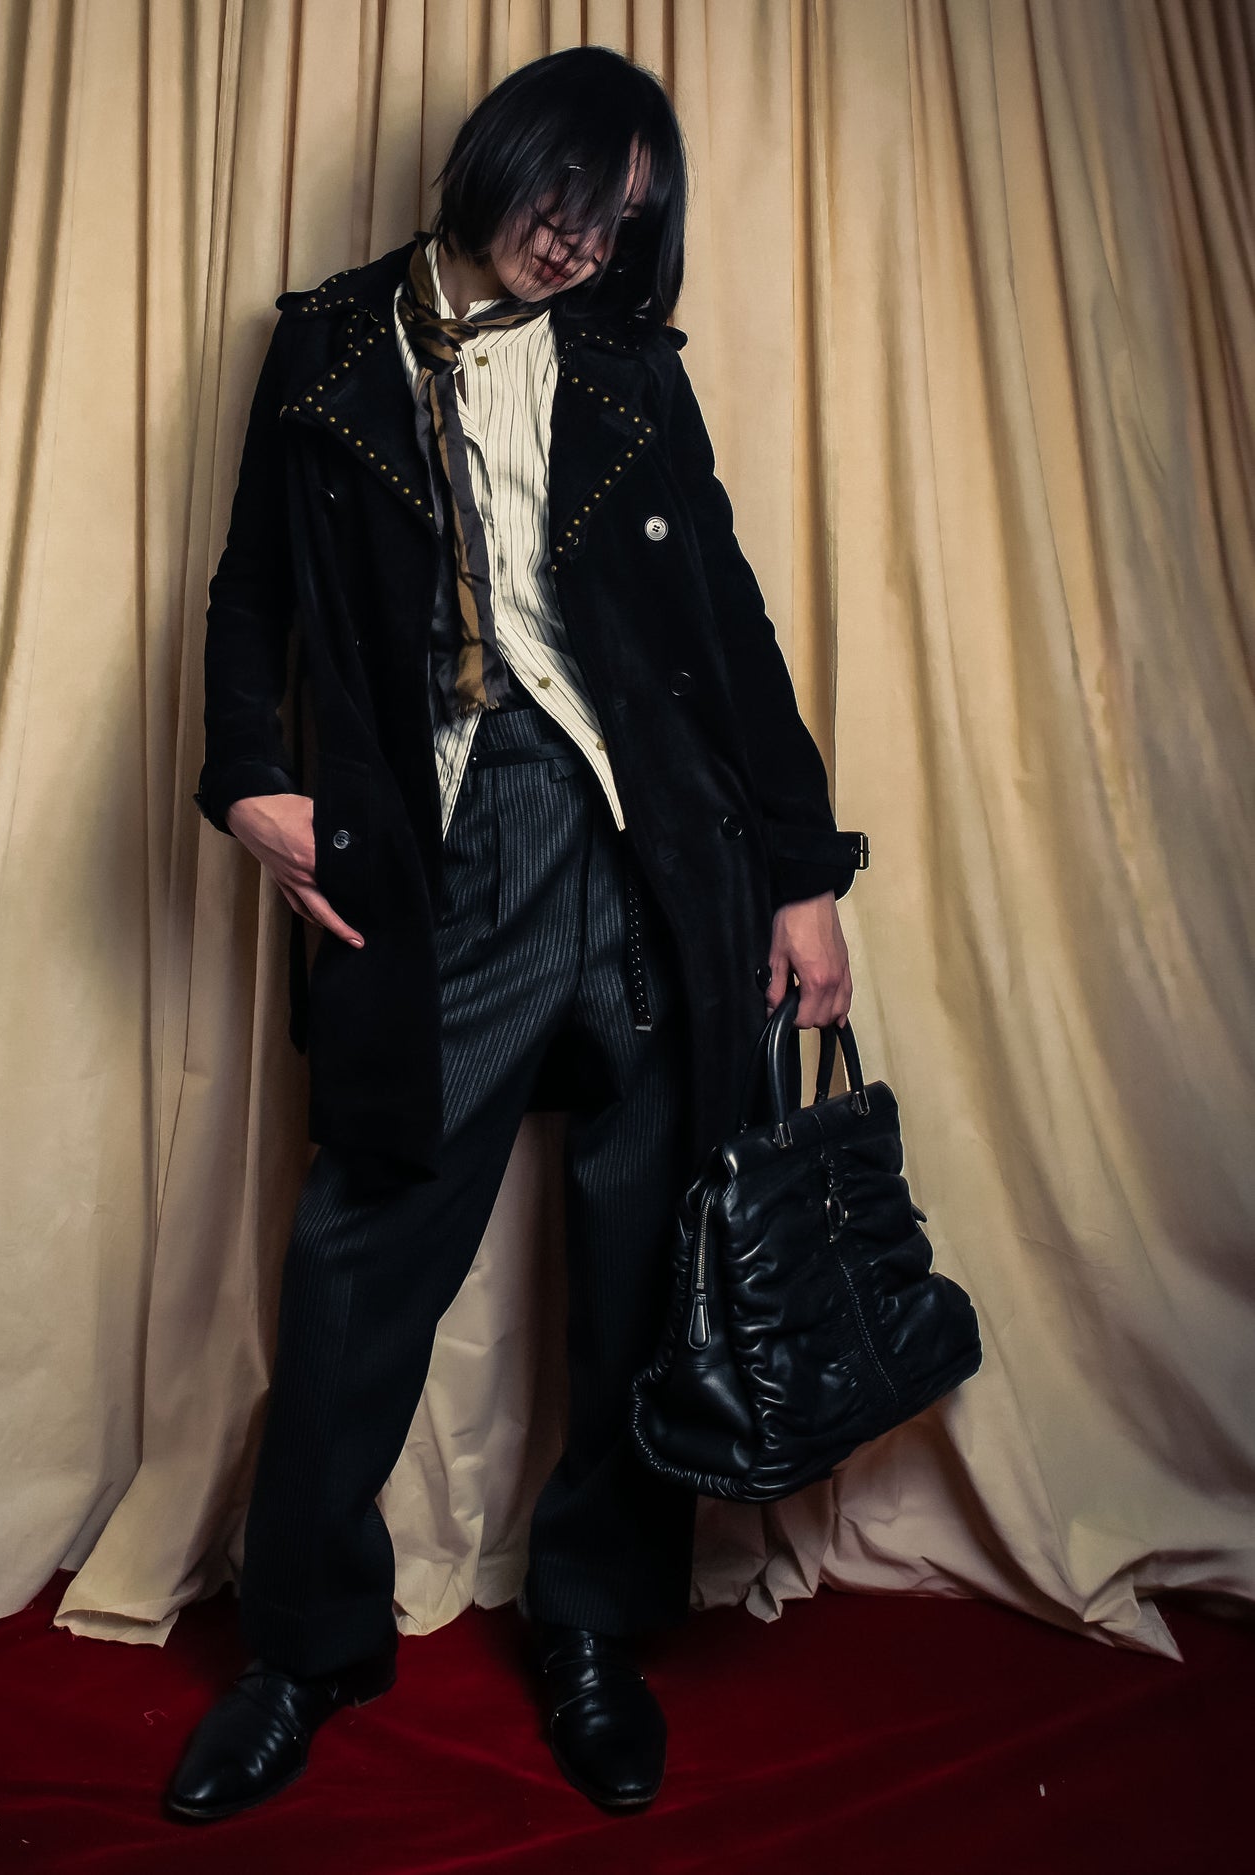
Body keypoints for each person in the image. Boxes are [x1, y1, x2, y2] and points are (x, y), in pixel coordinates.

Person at [165, 45, 863, 1824]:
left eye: (619, 223)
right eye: (567, 197)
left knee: (644, 1260)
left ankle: (595, 1630)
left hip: (657, 860)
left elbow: (724, 618)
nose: (580, 243)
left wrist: (802, 875)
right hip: (449, 843)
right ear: (501, 156)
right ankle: (305, 1648)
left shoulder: (629, 365)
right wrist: (248, 780)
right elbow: (252, 589)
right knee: (364, 1251)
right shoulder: (327, 345)